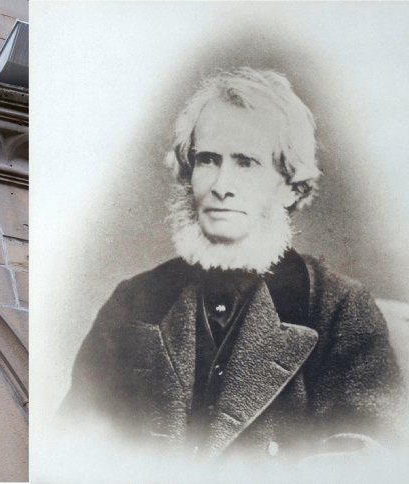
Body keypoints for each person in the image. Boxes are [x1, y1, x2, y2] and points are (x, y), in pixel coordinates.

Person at [64, 68, 405, 463]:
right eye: (208, 160)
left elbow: (369, 456)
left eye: (246, 162)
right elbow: (73, 446)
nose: (221, 185)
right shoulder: (134, 301)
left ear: (289, 186)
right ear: (188, 173)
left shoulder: (337, 306)